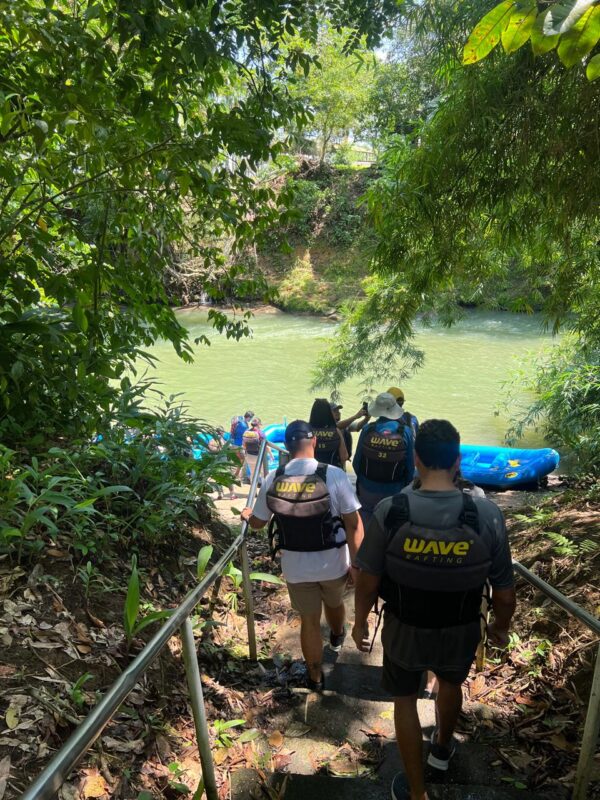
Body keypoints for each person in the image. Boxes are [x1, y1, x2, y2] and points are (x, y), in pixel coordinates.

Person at [352, 419, 516, 800]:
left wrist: (360, 621)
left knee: (405, 699)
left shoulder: (391, 511)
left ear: (415, 459)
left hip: (405, 628)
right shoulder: (487, 515)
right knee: (451, 683)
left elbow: (367, 579)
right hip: (460, 629)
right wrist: (500, 629)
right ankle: (441, 750)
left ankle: (416, 793)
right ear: (458, 460)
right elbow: (505, 594)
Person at [241, 420, 363, 691]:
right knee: (334, 604)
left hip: (295, 566)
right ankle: (336, 634)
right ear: (315, 442)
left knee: (308, 619)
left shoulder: (274, 476)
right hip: (334, 563)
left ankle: (315, 678)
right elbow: (354, 524)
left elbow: (260, 522)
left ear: (286, 446)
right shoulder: (333, 474)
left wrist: (248, 516)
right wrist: (357, 564)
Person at [352, 392, 414, 526]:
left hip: (367, 489)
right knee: (390, 525)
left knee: (366, 525)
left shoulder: (368, 429)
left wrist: (365, 481)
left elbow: (357, 463)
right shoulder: (406, 432)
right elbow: (410, 468)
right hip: (394, 490)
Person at [309, 398, 348, 469]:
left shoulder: (307, 431)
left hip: (312, 471)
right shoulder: (336, 431)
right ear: (328, 413)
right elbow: (344, 456)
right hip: (331, 471)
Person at [242, 417, 270, 484]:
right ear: (259, 424)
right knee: (264, 474)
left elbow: (244, 445)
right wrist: (270, 455)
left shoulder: (247, 432)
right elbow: (266, 446)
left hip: (249, 456)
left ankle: (254, 493)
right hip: (259, 457)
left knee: (253, 474)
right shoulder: (261, 434)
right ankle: (264, 491)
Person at [230, 410, 254, 486]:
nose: (251, 420)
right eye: (251, 418)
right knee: (244, 460)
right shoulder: (243, 425)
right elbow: (246, 436)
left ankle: (234, 475)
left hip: (232, 443)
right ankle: (240, 478)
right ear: (249, 417)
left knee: (236, 460)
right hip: (238, 445)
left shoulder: (239, 418)